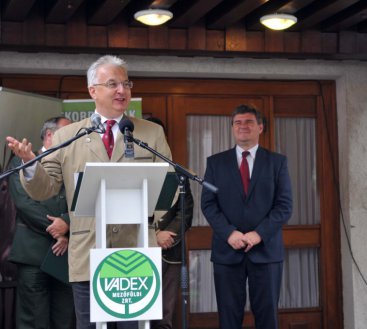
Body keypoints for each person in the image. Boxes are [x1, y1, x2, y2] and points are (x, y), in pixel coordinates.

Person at [6, 55, 172, 329]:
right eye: (113, 84)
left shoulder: (150, 133)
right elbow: (44, 187)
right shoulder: (67, 135)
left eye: (126, 84)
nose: (122, 90)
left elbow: (168, 187)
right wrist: (28, 163)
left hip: (137, 252)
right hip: (89, 251)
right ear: (92, 90)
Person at [200, 104, 292, 329]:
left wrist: (258, 234)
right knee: (229, 318)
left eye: (249, 122)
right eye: (238, 123)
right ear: (232, 128)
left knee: (267, 317)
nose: (243, 127)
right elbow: (208, 204)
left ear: (260, 127)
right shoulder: (215, 163)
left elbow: (284, 205)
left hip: (266, 252)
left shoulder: (277, 162)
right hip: (227, 252)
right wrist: (229, 233)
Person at [8, 116, 74, 329]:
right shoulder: (22, 160)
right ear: (49, 135)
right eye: (66, 133)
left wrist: (66, 224)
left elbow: (83, 199)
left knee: (65, 317)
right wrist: (56, 230)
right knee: (33, 318)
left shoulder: (70, 163)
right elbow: (25, 203)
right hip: (34, 253)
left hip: (67, 255)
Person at [145, 117, 194, 329]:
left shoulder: (177, 174)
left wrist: (167, 235)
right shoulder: (126, 170)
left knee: (164, 315)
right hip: (138, 252)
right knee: (138, 313)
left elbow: (186, 211)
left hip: (170, 252)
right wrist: (152, 235)